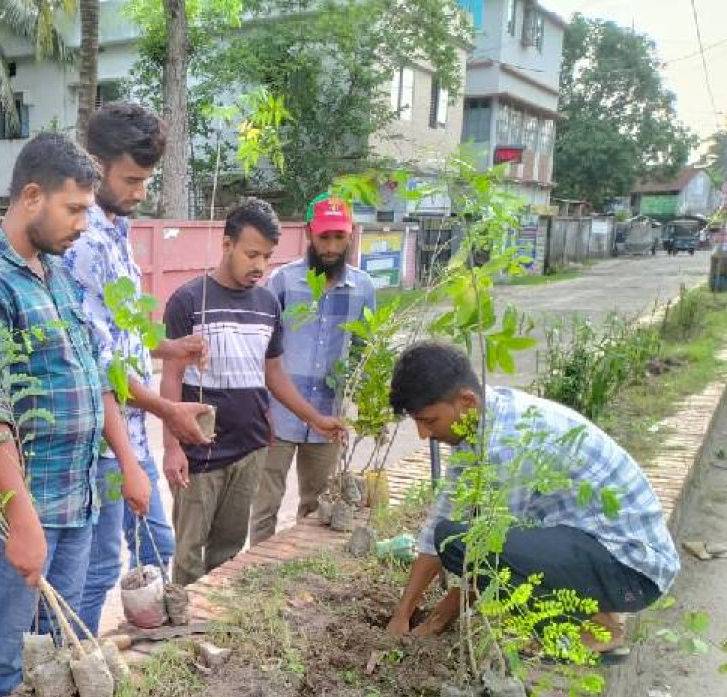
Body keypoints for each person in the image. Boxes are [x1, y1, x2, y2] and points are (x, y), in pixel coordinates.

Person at [0, 132, 150, 697]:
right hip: (20, 507)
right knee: (0, 657)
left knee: (53, 646)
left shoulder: (54, 272)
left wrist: (129, 464)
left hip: (76, 499)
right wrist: (21, 518)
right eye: (75, 208)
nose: (84, 223)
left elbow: (95, 373)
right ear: (32, 196)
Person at [384, 342, 679, 656]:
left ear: (466, 401)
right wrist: (402, 615)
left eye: (429, 421)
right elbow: (437, 528)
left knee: (463, 542)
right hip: (605, 553)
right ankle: (593, 610)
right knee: (451, 535)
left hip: (632, 572)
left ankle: (599, 628)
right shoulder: (482, 420)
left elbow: (487, 554)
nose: (422, 434)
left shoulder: (507, 443)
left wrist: (436, 622)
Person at [64, 103, 211, 634]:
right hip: (103, 442)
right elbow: (97, 364)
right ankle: (73, 660)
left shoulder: (118, 229)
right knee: (101, 566)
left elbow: (119, 334)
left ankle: (145, 642)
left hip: (131, 432)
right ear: (95, 165)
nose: (141, 190)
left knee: (155, 546)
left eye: (146, 179)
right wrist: (168, 410)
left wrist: (166, 349)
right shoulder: (81, 244)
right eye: (131, 178)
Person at [160, 198, 346, 586]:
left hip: (250, 448)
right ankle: (181, 634)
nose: (259, 266)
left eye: (267, 256)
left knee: (228, 552)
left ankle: (213, 628)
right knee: (189, 554)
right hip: (200, 450)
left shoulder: (266, 304)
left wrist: (315, 418)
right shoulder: (189, 301)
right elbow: (172, 377)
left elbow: (273, 373)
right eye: (251, 254)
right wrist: (173, 447)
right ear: (226, 245)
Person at [250, 194, 375, 545]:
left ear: (351, 235)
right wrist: (260, 408)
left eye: (339, 236)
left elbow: (363, 354)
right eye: (325, 237)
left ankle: (299, 566)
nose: (332, 246)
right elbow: (262, 351)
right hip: (278, 415)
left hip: (328, 418)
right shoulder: (283, 283)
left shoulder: (363, 288)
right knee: (265, 504)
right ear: (309, 234)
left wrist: (366, 404)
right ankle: (252, 576)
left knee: (316, 504)